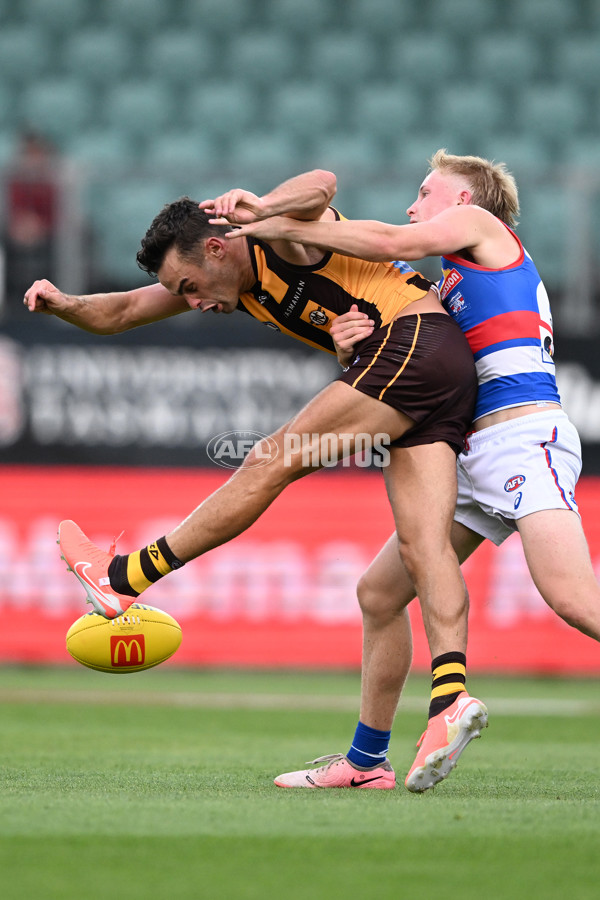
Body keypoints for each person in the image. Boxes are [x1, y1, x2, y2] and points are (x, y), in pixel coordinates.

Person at [24, 168, 486, 792]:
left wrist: (263, 208)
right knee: (414, 559)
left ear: (217, 246)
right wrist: (64, 305)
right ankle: (417, 724)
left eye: (189, 286)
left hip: (414, 343)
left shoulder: (279, 238)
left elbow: (324, 184)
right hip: (440, 372)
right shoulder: (230, 283)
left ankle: (122, 579)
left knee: (271, 461)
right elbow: (128, 309)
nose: (191, 302)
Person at [225, 149, 600, 792]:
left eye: (427, 191)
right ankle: (367, 760)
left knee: (573, 599)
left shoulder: (482, 227)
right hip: (478, 451)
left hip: (521, 433)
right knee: (378, 593)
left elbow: (393, 239)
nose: (413, 202)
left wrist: (276, 225)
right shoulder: (450, 281)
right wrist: (352, 337)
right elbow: (414, 346)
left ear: (465, 200)